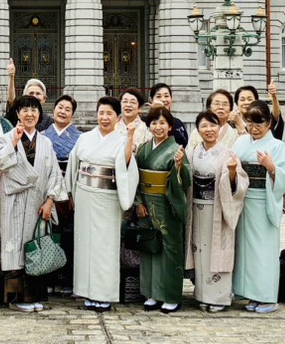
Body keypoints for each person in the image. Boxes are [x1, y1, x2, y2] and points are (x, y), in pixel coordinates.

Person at [0, 94, 66, 312]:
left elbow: (54, 174)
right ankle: (15, 299)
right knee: (14, 247)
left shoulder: (46, 142)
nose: (29, 114)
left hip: (37, 202)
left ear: (39, 115)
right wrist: (14, 142)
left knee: (35, 246)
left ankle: (34, 295)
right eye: (25, 110)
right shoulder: (5, 138)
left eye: (34, 110)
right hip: (14, 202)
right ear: (17, 114)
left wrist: (50, 200)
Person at [66, 95, 139, 312]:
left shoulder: (121, 139)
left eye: (109, 114)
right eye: (101, 113)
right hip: (84, 195)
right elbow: (73, 165)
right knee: (84, 244)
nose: (104, 117)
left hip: (107, 198)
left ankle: (104, 294)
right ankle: (86, 291)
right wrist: (71, 194)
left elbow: (127, 165)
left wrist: (130, 138)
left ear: (118, 118)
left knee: (105, 247)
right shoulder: (85, 138)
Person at [232, 103, 285, 313]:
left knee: (263, 251)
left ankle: (267, 297)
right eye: (250, 123)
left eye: (259, 123)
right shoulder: (241, 142)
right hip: (243, 200)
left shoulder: (276, 146)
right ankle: (251, 294)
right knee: (245, 250)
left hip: (264, 200)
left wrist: (271, 167)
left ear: (269, 123)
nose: (254, 128)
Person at [187, 110, 249, 312]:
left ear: (220, 128)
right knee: (200, 251)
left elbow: (239, 184)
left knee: (217, 252)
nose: (209, 130)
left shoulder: (228, 153)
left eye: (213, 125)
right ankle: (203, 295)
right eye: (204, 126)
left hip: (218, 209)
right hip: (197, 208)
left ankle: (220, 298)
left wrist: (231, 172)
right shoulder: (193, 151)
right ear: (198, 130)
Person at [133, 106, 192, 313]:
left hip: (167, 203)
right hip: (145, 204)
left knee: (169, 249)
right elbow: (135, 177)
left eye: (162, 123)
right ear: (149, 126)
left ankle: (171, 295)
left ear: (169, 127)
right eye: (154, 123)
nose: (158, 127)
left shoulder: (176, 149)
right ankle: (151, 293)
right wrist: (138, 202)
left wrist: (179, 166)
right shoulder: (143, 149)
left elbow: (185, 181)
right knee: (149, 247)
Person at [42, 94, 82, 294]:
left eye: (67, 109)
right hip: (47, 189)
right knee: (48, 233)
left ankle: (67, 279)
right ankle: (48, 278)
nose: (63, 112)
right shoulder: (43, 135)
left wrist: (73, 193)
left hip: (68, 189)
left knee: (68, 235)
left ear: (72, 115)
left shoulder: (80, 137)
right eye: (60, 107)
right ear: (53, 109)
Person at [4, 59, 53, 131]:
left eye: (38, 93)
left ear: (44, 99)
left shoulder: (49, 122)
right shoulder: (17, 116)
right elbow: (11, 101)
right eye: (31, 93)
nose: (34, 96)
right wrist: (11, 77)